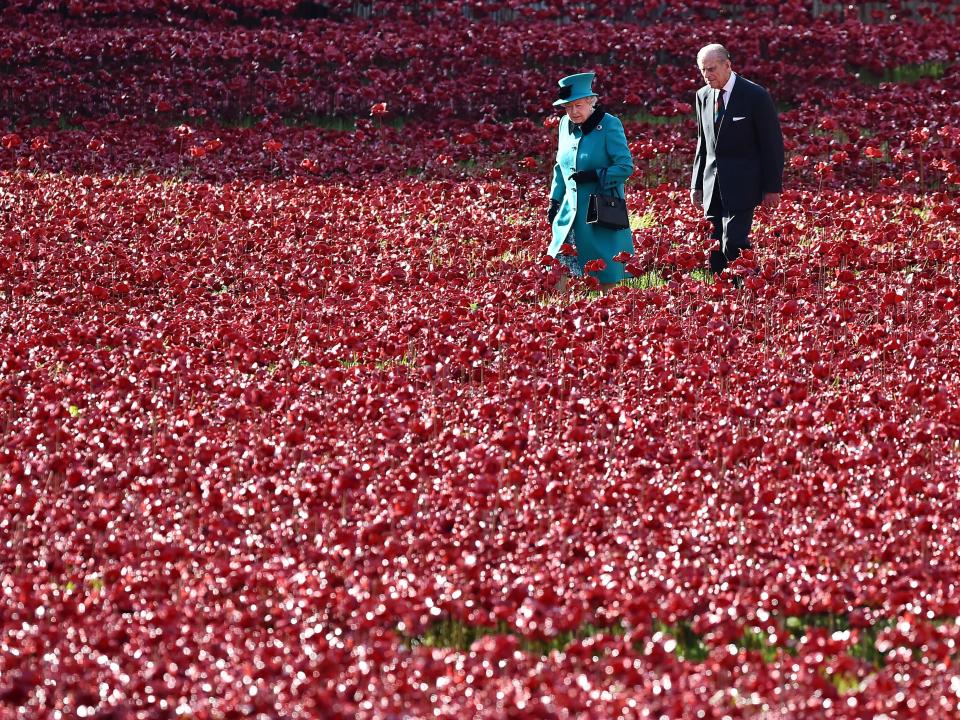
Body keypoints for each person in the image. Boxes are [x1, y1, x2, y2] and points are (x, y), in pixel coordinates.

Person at [690, 44, 784, 276]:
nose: (707, 75)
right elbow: (702, 143)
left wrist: (772, 188)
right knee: (714, 244)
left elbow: (772, 145)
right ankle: (721, 292)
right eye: (703, 70)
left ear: (728, 65)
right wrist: (696, 184)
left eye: (712, 69)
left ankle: (750, 285)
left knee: (734, 241)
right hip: (712, 183)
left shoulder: (755, 96)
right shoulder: (702, 95)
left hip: (743, 184)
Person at [547, 72, 634, 292]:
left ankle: (609, 315)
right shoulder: (564, 125)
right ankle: (561, 315)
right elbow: (560, 166)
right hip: (570, 211)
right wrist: (554, 200)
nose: (573, 112)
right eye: (568, 107)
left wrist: (595, 175)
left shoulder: (609, 125)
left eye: (578, 105)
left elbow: (625, 167)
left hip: (599, 209)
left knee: (604, 269)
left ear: (591, 101)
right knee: (558, 263)